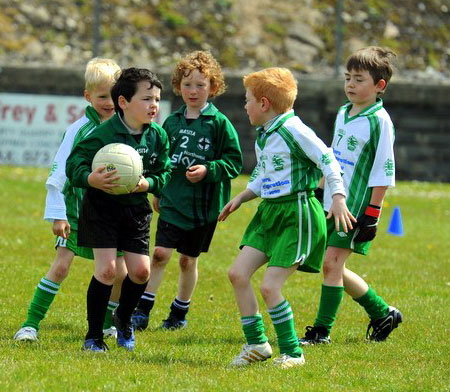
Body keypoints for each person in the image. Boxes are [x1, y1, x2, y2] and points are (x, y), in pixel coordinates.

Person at [218, 67, 355, 368]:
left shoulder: (295, 130)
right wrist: (241, 197)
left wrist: (338, 197)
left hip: (298, 214)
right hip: (269, 213)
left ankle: (293, 353)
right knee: (237, 274)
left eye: (248, 99)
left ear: (264, 104)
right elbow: (264, 176)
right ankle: (257, 344)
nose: (244, 105)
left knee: (270, 287)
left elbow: (329, 159)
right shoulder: (265, 134)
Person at [13, 58, 127, 342]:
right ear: (87, 96)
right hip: (76, 212)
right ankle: (30, 325)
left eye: (113, 96)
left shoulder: (127, 129)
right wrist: (58, 214)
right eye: (102, 96)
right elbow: (59, 171)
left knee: (119, 273)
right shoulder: (78, 130)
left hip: (113, 213)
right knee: (61, 266)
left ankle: (104, 323)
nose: (109, 103)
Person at [131, 50, 243, 331]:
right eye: (187, 84)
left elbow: (234, 162)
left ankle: (179, 312)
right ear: (178, 87)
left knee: (187, 260)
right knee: (159, 254)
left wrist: (209, 170)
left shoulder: (219, 124)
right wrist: (157, 190)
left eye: (201, 85)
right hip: (173, 200)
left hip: (202, 208)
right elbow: (160, 159)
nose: (193, 91)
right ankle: (143, 309)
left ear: (213, 88)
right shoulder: (171, 122)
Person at [298, 46, 402, 346]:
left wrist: (373, 214)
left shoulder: (380, 121)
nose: (350, 85)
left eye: (359, 79)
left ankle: (321, 332)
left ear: (379, 86)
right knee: (333, 265)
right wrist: (320, 188)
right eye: (348, 78)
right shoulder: (344, 112)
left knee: (331, 264)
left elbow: (383, 170)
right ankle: (382, 313)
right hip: (331, 199)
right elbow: (333, 155)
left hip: (354, 206)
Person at [66, 67, 171, 352]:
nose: (154, 106)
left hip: (135, 210)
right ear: (123, 102)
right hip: (101, 208)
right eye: (147, 99)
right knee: (108, 271)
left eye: (157, 100)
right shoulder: (103, 134)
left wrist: (148, 183)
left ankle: (123, 317)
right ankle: (93, 336)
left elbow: (165, 172)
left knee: (140, 272)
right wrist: (91, 178)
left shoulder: (157, 136)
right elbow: (74, 165)